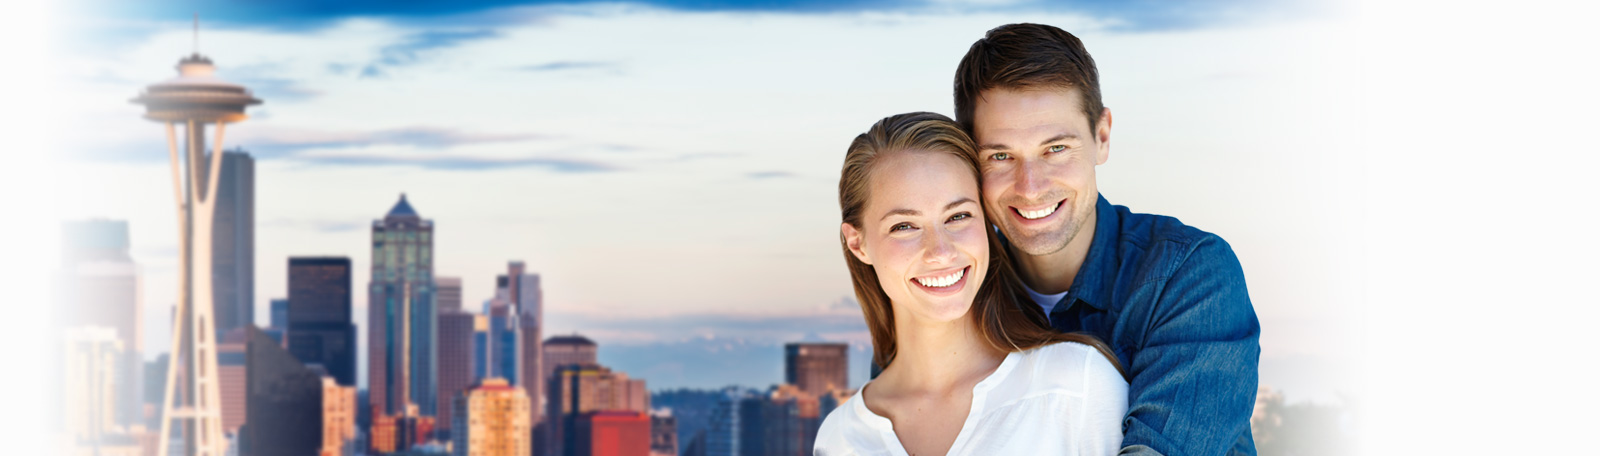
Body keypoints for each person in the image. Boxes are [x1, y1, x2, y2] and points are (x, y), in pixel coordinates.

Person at [952, 23, 1262, 456]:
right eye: (1001, 156)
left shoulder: (1189, 275)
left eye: (1056, 148)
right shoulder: (950, 293)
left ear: (1101, 136)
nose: (1030, 186)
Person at [814, 112, 1127, 456]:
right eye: (904, 226)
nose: (941, 252)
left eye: (958, 216)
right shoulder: (840, 437)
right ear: (858, 243)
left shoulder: (1075, 384)